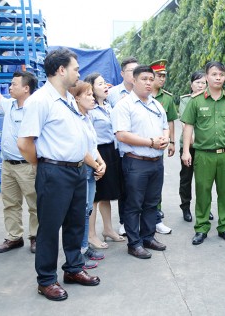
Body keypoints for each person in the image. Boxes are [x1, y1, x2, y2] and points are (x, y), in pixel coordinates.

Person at [17, 48, 100, 301]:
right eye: (75, 68)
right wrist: (42, 165)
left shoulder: (66, 99)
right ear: (61, 69)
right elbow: (24, 143)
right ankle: (46, 280)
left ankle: (73, 269)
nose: (78, 73)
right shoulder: (40, 101)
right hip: (54, 172)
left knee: (75, 224)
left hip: (76, 170)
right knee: (50, 229)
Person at [181, 61, 225, 246]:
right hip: (203, 155)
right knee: (203, 191)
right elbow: (188, 127)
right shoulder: (196, 101)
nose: (218, 78)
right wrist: (186, 151)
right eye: (214, 74)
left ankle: (224, 227)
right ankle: (201, 228)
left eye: (221, 75)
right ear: (207, 76)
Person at [111, 65, 169, 259]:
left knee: (152, 203)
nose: (148, 83)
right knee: (134, 204)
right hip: (136, 162)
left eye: (151, 79)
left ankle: (148, 237)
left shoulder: (156, 104)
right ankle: (134, 243)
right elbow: (122, 135)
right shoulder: (124, 105)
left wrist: (165, 138)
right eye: (144, 79)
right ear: (133, 81)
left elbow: (165, 126)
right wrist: (151, 142)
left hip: (155, 162)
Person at [0, 65, 39, 254]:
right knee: (10, 203)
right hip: (8, 165)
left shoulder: (35, 109)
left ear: (26, 88)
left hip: (27, 166)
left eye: (14, 84)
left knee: (35, 204)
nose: (10, 87)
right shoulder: (9, 105)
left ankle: (36, 236)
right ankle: (14, 237)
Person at [84, 73, 124, 248]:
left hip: (111, 151)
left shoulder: (107, 106)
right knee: (94, 197)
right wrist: (95, 160)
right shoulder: (90, 110)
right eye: (100, 84)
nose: (105, 86)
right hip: (96, 153)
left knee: (107, 194)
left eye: (105, 83)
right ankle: (91, 235)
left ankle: (108, 229)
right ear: (91, 88)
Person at [69, 81, 107, 269]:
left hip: (91, 167)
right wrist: (96, 165)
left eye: (93, 94)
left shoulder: (87, 117)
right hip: (82, 169)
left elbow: (93, 146)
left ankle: (84, 248)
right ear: (76, 97)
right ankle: (78, 254)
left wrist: (102, 163)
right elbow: (81, 150)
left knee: (87, 211)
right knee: (79, 213)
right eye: (88, 95)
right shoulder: (74, 119)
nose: (93, 98)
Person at [107, 57, 139, 236]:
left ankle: (144, 220)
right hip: (120, 149)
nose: (134, 74)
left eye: (137, 70)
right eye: (130, 70)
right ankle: (123, 221)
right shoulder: (113, 94)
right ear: (122, 73)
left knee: (139, 187)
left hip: (140, 149)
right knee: (124, 187)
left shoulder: (143, 92)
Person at [178, 71, 215, 222]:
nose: (200, 86)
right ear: (191, 84)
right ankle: (185, 207)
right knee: (186, 178)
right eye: (197, 82)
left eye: (203, 83)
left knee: (204, 180)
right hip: (190, 145)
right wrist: (191, 143)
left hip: (204, 146)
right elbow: (185, 124)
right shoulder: (186, 100)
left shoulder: (211, 99)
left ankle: (205, 208)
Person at [149, 59, 176, 234]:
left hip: (159, 146)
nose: (162, 79)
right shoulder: (141, 94)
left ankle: (156, 211)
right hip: (141, 146)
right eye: (159, 75)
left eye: (164, 76)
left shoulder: (167, 98)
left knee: (156, 181)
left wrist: (172, 141)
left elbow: (171, 121)